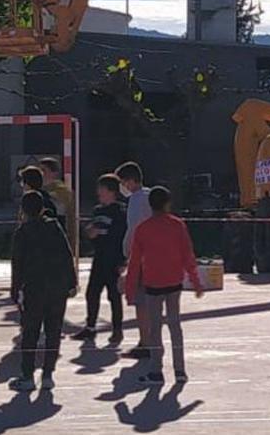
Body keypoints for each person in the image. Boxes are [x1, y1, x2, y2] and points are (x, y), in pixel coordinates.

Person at [124, 186, 203, 385]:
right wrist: (195, 280)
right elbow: (188, 255)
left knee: (154, 329)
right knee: (175, 327)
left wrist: (130, 288)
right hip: (174, 282)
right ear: (168, 203)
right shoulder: (178, 225)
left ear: (150, 205)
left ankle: (156, 371)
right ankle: (180, 370)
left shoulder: (142, 229)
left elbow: (134, 262)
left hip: (152, 284)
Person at [10, 190, 78, 392]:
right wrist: (72, 282)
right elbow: (67, 254)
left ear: (23, 210)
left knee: (30, 332)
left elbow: (17, 264)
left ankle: (27, 375)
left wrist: (15, 290)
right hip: (57, 287)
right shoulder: (54, 227)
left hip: (34, 288)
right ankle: (48, 374)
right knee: (53, 331)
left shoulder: (22, 232)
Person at [72, 174, 127, 344]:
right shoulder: (98, 210)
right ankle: (90, 327)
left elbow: (120, 235)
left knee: (114, 296)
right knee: (92, 293)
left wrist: (122, 261)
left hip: (113, 259)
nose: (98, 193)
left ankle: (117, 329)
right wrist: (90, 233)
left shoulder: (120, 211)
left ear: (111, 191)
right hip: (99, 257)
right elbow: (92, 231)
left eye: (101, 189)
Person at [116, 161, 153, 359]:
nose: (123, 187)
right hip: (156, 256)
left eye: (123, 182)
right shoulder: (150, 196)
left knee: (141, 302)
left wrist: (127, 252)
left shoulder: (136, 201)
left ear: (130, 181)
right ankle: (149, 340)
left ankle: (145, 342)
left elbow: (134, 230)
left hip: (140, 257)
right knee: (152, 301)